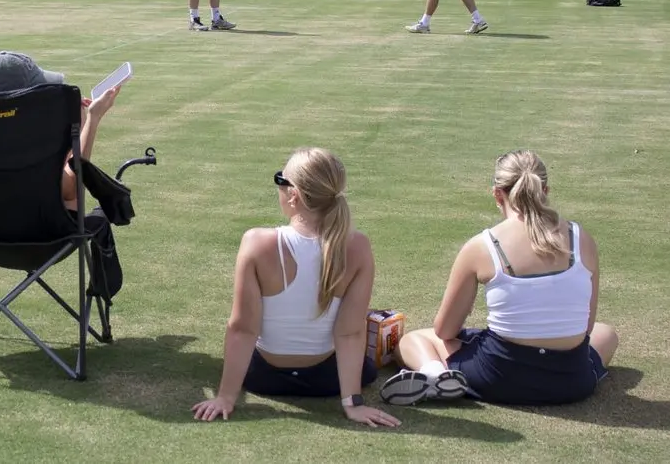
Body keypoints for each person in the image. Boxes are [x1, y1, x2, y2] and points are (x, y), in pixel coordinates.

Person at [380, 150, 617, 407]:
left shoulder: (481, 246)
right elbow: (587, 327)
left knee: (413, 340)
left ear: (497, 193)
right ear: (545, 190)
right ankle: (441, 378)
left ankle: (437, 375)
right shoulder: (582, 239)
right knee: (607, 334)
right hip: (572, 382)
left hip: (498, 378)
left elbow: (444, 330)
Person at [191, 148, 400, 428]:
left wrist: (226, 397)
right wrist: (353, 404)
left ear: (294, 195)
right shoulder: (358, 246)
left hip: (262, 378)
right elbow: (350, 332)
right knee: (369, 361)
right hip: (328, 382)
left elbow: (243, 328)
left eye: (281, 179)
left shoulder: (256, 242)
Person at [0, 51, 124, 296]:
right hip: (43, 241)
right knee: (75, 199)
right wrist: (91, 119)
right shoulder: (37, 133)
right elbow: (69, 187)